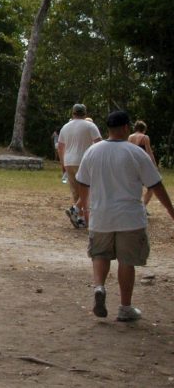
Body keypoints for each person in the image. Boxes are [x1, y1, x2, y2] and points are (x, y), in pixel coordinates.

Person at [75, 110, 174, 322]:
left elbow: (83, 183)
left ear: (108, 128)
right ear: (126, 128)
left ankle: (99, 287)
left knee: (100, 254)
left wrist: (85, 208)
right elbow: (156, 185)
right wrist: (171, 210)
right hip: (129, 218)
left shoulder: (93, 151)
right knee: (126, 261)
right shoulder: (136, 153)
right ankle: (125, 307)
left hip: (100, 215)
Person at [57, 103, 102, 228]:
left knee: (76, 191)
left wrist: (63, 164)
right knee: (89, 189)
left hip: (68, 161)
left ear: (73, 113)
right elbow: (99, 143)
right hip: (84, 160)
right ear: (85, 113)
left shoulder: (65, 127)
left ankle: (80, 218)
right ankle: (75, 209)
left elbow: (60, 147)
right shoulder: (90, 125)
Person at [128, 121, 158, 206]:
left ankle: (133, 205)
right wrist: (154, 165)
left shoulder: (130, 137)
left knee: (134, 186)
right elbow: (149, 152)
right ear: (143, 129)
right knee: (151, 187)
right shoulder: (145, 137)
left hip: (131, 164)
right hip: (142, 164)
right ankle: (143, 206)